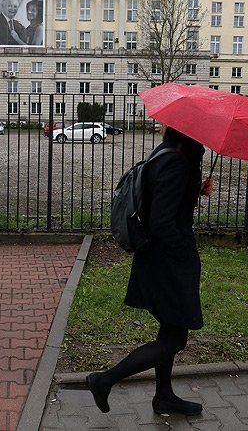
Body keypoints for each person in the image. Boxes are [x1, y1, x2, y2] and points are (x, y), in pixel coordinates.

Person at [86, 125, 212, 416]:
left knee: (169, 329)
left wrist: (193, 189)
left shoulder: (167, 154)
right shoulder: (178, 163)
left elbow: (160, 198)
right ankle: (104, 380)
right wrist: (184, 255)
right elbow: (162, 223)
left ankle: (164, 396)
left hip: (157, 259)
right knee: (175, 338)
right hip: (167, 263)